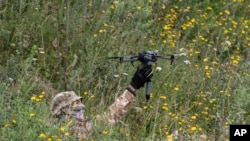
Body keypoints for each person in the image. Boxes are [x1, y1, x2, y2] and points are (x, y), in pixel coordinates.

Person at [50, 64, 153, 140]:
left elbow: (111, 115)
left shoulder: (84, 126)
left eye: (80, 101)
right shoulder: (58, 133)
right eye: (76, 103)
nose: (82, 106)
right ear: (64, 110)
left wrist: (133, 87)